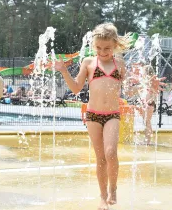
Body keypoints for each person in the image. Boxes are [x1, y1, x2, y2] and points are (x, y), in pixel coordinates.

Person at [54, 23, 165, 210]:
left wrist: (147, 85)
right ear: (93, 45)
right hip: (93, 116)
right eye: (98, 48)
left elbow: (128, 90)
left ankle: (113, 189)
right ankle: (103, 197)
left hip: (112, 114)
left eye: (106, 48)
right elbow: (75, 88)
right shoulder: (89, 63)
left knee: (111, 153)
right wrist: (64, 71)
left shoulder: (119, 63)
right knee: (100, 158)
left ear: (114, 45)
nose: (102, 51)